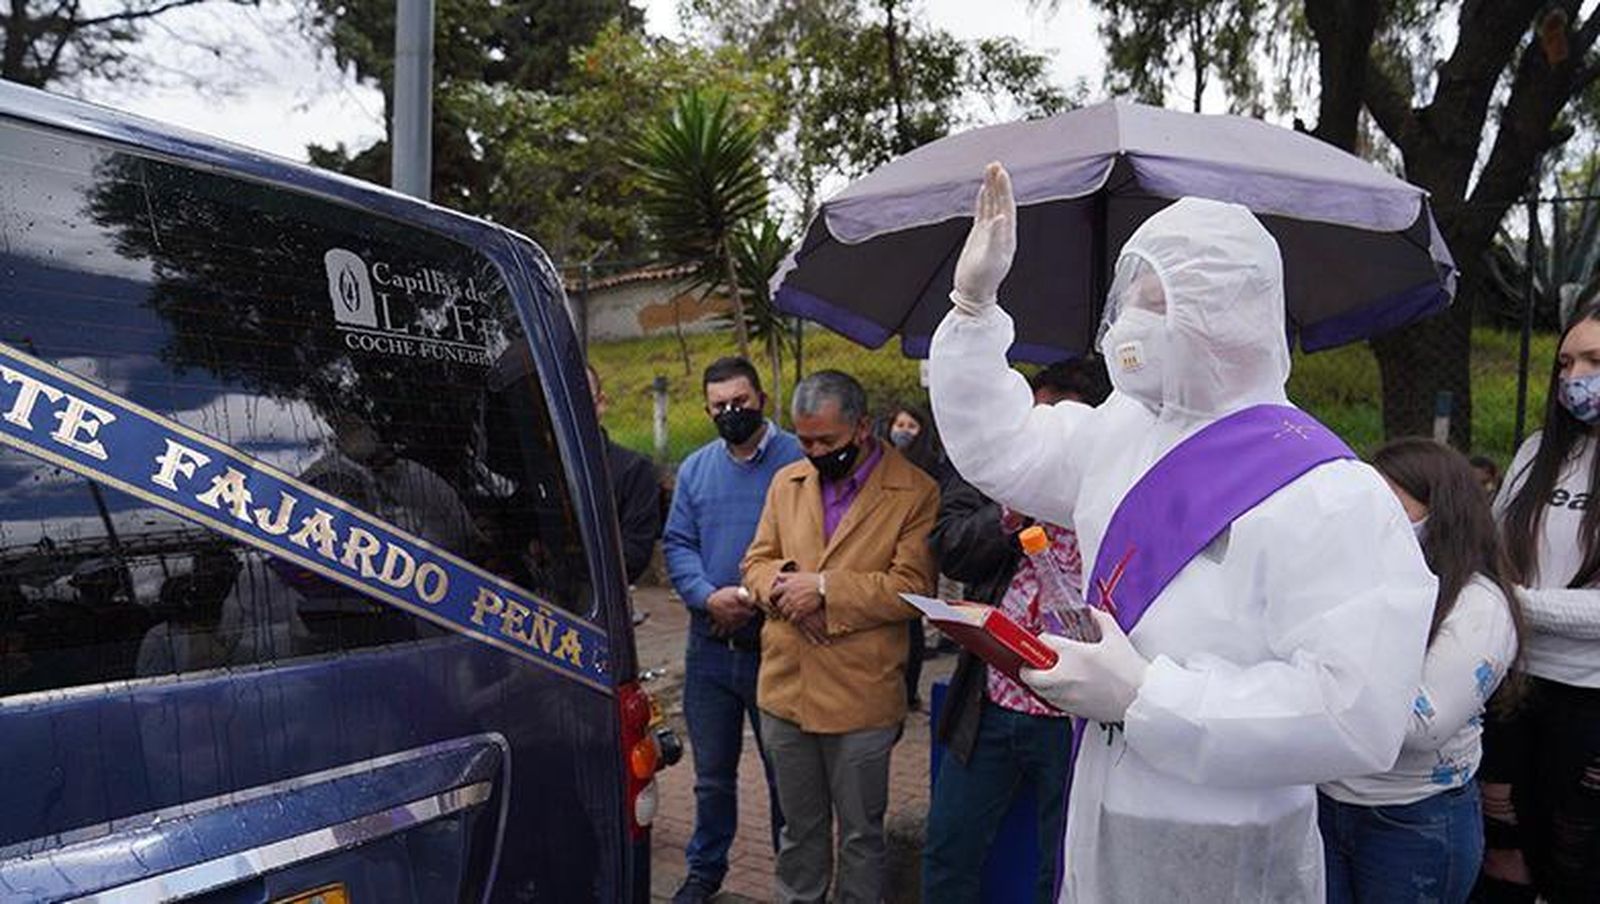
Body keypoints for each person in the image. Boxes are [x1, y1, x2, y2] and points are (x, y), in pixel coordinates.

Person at [928, 163, 1437, 901]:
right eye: (1131, 297)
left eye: (1159, 302)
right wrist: (973, 312)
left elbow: (1355, 715)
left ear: (1233, 316)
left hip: (1228, 840)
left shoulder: (1331, 492)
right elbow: (1005, 449)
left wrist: (1146, 695)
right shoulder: (1123, 430)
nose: (1134, 322)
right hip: (1100, 801)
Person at [742, 369, 938, 904]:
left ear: (863, 428)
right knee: (799, 833)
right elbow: (755, 562)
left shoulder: (914, 491)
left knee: (860, 836)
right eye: (805, 441)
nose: (815, 451)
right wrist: (783, 588)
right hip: (785, 690)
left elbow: (913, 587)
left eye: (827, 441)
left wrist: (826, 590)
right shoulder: (787, 481)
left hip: (863, 695)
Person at [922, 357, 1109, 904]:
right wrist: (1009, 511)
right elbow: (950, 548)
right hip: (992, 704)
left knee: (1063, 867)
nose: (1043, 435)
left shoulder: (1117, 490)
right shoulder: (996, 472)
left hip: (1074, 720)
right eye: (1036, 418)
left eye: (1060, 422)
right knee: (949, 849)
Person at [1317, 438, 1522, 904]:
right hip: (1328, 801)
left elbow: (1417, 725)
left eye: (1391, 507)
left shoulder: (1479, 606)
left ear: (1442, 511)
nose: (1371, 522)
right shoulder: (1352, 580)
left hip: (1413, 821)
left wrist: (1309, 683)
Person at [662, 356, 804, 904]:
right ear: (706, 408)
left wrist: (768, 592)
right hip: (711, 647)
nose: (730, 413)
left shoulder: (798, 458)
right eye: (718, 406)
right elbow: (678, 543)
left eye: (739, 403)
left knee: (785, 775)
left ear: (761, 399)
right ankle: (705, 872)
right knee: (712, 775)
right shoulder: (696, 468)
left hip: (780, 640)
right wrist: (705, 595)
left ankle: (795, 882)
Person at [1481, 297, 1600, 903]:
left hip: (1589, 702)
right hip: (1512, 683)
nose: (1575, 379)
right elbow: (1493, 548)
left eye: (1594, 361)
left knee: (1574, 862)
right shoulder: (1536, 452)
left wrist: (1514, 602)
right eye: (1565, 364)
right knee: (1502, 851)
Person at [586, 363, 663, 587]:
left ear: (600, 403)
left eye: (580, 400)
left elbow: (634, 555)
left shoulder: (632, 469)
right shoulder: (535, 466)